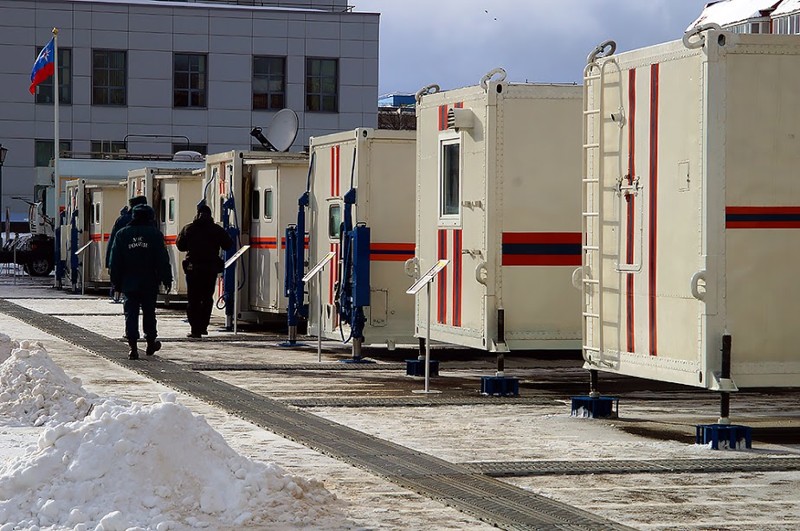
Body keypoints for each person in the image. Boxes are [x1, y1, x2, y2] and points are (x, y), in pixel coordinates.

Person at [109, 204, 173, 359]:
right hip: (149, 281)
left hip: (129, 282)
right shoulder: (155, 234)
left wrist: (116, 283)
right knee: (149, 312)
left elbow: (115, 261)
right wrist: (166, 278)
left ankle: (133, 347)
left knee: (130, 313)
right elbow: (162, 259)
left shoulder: (122, 234)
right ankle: (150, 341)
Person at [176, 203, 233, 338]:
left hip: (193, 269)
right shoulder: (216, 229)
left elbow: (180, 246)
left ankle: (195, 328)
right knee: (207, 298)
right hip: (210, 269)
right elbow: (228, 245)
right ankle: (203, 327)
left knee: (193, 299)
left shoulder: (188, 228)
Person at [106, 196, 148, 302]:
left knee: (130, 302)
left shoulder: (122, 220)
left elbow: (113, 243)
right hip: (145, 264)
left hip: (126, 262)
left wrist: (109, 262)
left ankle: (117, 296)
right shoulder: (150, 221)